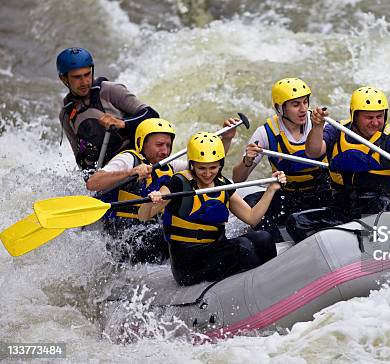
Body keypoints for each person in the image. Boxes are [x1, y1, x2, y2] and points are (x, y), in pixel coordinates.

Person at [289, 86, 390, 241]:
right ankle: (339, 246)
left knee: (384, 206)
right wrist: (317, 127)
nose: (375, 122)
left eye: (379, 117)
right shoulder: (338, 130)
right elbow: (313, 152)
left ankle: (368, 241)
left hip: (379, 209)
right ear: (355, 116)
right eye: (369, 117)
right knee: (296, 222)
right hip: (342, 209)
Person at [138, 132, 286, 286]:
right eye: (202, 168)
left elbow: (252, 217)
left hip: (215, 249)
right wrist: (153, 201)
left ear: (221, 164)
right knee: (243, 248)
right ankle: (260, 285)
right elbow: (143, 215)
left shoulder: (223, 184)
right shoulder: (178, 183)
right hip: (188, 262)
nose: (208, 174)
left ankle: (272, 283)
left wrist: (271, 189)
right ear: (192, 164)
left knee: (264, 238)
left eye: (213, 167)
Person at [232, 78, 331, 243]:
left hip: (321, 194)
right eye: (295, 104)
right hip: (289, 196)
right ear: (280, 108)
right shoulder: (265, 133)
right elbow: (237, 179)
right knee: (251, 203)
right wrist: (247, 161)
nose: (303, 109)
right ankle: (277, 246)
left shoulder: (321, 126)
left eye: (305, 102)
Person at [85, 118, 182, 263]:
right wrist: (130, 173)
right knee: (166, 235)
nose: (165, 151)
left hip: (150, 229)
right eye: (159, 145)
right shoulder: (128, 159)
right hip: (121, 235)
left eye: (168, 145)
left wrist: (227, 138)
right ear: (141, 143)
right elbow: (93, 183)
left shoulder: (169, 164)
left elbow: (204, 169)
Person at [57, 47, 159, 174]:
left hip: (136, 162)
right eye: (77, 77)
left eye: (87, 74)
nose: (84, 82)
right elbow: (81, 161)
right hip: (109, 176)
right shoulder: (67, 115)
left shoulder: (111, 91)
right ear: (64, 79)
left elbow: (151, 114)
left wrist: (122, 123)